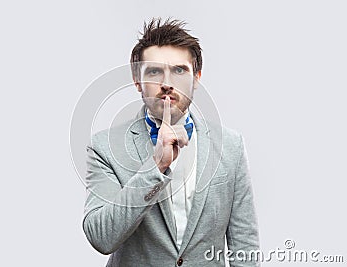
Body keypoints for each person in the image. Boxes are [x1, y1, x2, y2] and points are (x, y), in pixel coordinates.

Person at [82, 18, 260, 266]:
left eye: (179, 70)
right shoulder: (104, 147)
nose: (167, 83)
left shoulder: (231, 146)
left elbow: (245, 244)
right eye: (154, 71)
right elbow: (101, 237)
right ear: (137, 81)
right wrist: (155, 166)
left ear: (196, 78)